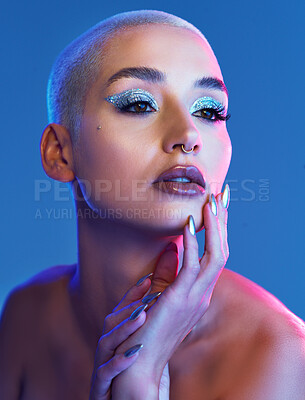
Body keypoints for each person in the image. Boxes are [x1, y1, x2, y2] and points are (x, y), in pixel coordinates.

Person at [0, 9, 305, 400]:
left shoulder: (282, 358)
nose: (189, 135)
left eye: (209, 110)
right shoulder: (26, 318)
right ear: (60, 152)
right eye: (140, 104)